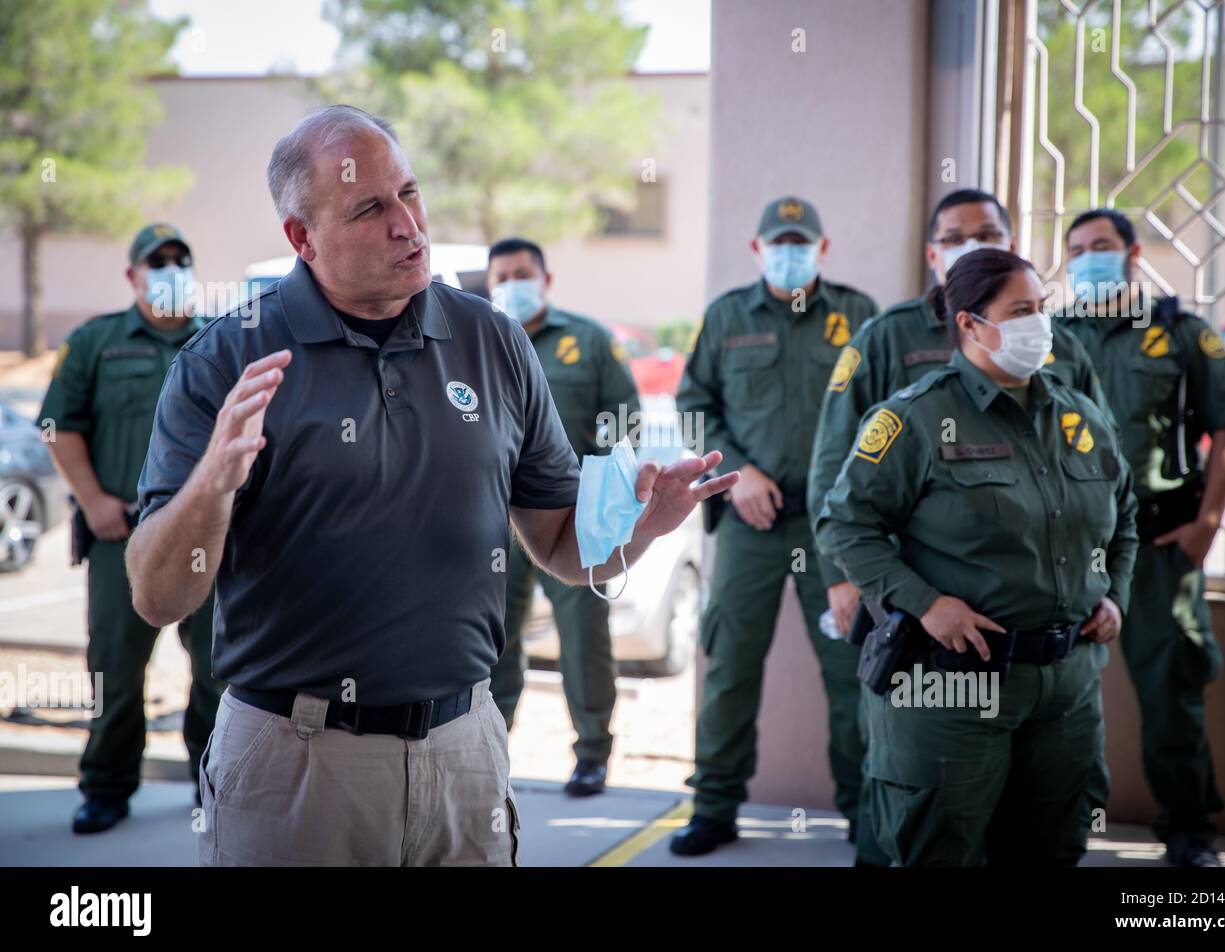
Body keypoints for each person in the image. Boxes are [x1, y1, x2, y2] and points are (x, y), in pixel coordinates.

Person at [124, 105, 736, 867]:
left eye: (409, 193)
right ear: (301, 237)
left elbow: (557, 543)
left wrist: (644, 526)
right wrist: (211, 485)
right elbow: (158, 597)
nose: (408, 224)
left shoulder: (492, 341)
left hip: (464, 756)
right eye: (370, 208)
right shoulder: (227, 361)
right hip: (298, 766)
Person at [807, 187, 1112, 866]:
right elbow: (844, 511)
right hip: (952, 677)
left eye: (1042, 310)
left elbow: (1117, 513)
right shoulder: (911, 405)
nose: (1040, 326)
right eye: (1021, 313)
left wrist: (1112, 589)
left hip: (1064, 681)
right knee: (938, 845)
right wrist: (919, 600)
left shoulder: (1077, 411)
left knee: (1050, 845)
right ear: (970, 325)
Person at [670, 195, 877, 855]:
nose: (791, 252)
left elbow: (886, 413)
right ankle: (714, 808)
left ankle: (867, 812)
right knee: (730, 665)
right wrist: (738, 472)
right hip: (749, 522)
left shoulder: (859, 315)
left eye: (803, 242)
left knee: (852, 670)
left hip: (836, 528)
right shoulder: (727, 317)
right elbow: (694, 405)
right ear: (758, 250)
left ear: (823, 247)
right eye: (778, 242)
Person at [1058, 208, 1225, 867]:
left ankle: (1189, 833)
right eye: (1077, 249)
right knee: (1049, 694)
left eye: (1102, 246)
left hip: (1157, 544)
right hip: (1065, 546)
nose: (1089, 258)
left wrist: (1209, 524)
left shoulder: (1179, 332)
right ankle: (1048, 831)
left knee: (1170, 693)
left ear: (1132, 254)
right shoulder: (1049, 336)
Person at [38, 223, 219, 834]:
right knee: (115, 669)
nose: (170, 269)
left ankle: (215, 783)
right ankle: (107, 788)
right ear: (132, 274)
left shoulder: (216, 340)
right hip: (123, 535)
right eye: (157, 261)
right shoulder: (97, 341)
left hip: (208, 541)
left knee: (220, 668)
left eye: (180, 259)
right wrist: (91, 502)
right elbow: (58, 426)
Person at [485, 236, 641, 797]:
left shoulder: (589, 340)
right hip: (493, 526)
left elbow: (626, 423)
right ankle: (488, 752)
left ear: (546, 279)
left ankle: (592, 754)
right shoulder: (477, 343)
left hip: (575, 522)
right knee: (493, 641)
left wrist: (603, 501)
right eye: (500, 275)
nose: (511, 284)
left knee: (583, 639)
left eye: (522, 273)